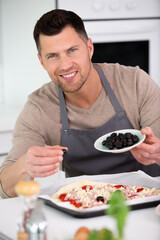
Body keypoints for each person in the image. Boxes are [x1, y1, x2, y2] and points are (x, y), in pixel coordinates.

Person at [0, 9, 160, 199]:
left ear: (89, 48)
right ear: (41, 61)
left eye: (72, 51)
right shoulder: (39, 107)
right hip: (84, 205)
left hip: (146, 201)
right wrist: (25, 166)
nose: (65, 65)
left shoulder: (135, 83)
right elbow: (4, 188)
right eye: (52, 56)